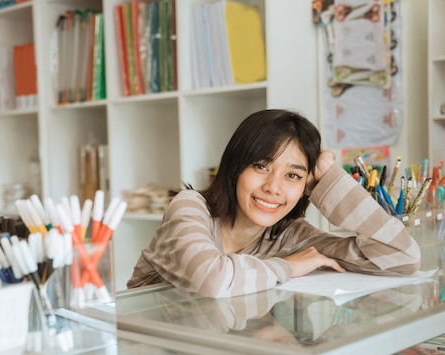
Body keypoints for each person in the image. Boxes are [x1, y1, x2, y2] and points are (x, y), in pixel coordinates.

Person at [127, 109, 421, 298]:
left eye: (293, 175)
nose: (273, 188)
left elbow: (402, 258)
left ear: (306, 187)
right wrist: (288, 266)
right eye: (261, 166)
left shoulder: (289, 236)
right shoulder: (190, 207)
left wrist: (331, 181)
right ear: (234, 166)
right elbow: (211, 279)